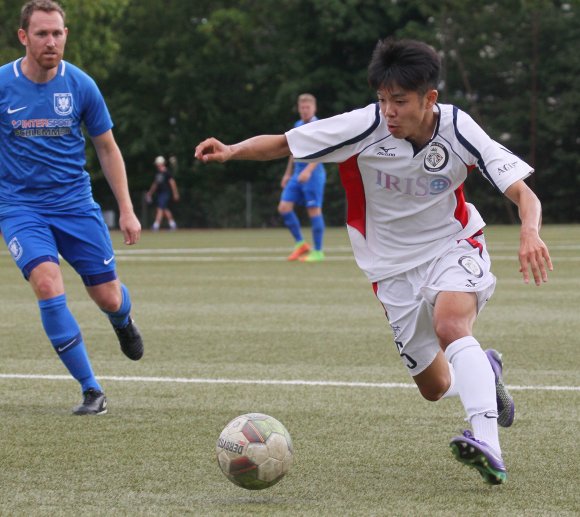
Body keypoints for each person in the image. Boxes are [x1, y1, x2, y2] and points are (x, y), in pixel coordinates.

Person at [195, 38, 553, 485]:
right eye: (383, 100)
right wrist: (232, 150)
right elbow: (286, 143)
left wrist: (529, 230)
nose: (389, 111)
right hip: (389, 270)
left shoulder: (460, 129)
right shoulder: (364, 125)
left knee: (451, 326)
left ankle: (489, 446)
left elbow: (523, 191)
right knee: (435, 386)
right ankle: (485, 369)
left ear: (429, 99)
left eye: (399, 101)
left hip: (452, 244)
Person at [0, 0, 144, 415]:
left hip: (75, 205)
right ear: (23, 36)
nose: (51, 41)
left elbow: (107, 148)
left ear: (66, 35)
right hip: (19, 207)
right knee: (47, 284)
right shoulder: (3, 85)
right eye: (42, 33)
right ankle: (90, 389)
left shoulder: (80, 85)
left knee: (108, 296)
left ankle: (122, 320)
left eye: (58, 33)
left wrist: (128, 209)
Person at [278, 94, 327, 262]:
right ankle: (301, 244)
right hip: (297, 173)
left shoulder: (318, 126)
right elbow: (293, 151)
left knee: (313, 210)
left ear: (314, 108)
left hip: (313, 174)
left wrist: (308, 170)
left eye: (308, 107)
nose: (305, 110)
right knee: (284, 207)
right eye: (302, 107)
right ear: (299, 109)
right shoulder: (298, 125)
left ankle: (318, 251)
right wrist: (287, 173)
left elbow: (324, 151)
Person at [146, 155, 180, 231]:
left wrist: (175, 193)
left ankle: (156, 225)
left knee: (160, 208)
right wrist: (150, 193)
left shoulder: (167, 173)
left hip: (166, 193)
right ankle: (173, 224)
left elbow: (172, 183)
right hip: (160, 193)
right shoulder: (158, 173)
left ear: (161, 163)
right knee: (164, 209)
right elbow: (155, 184)